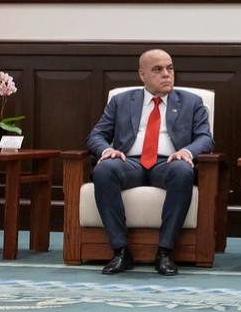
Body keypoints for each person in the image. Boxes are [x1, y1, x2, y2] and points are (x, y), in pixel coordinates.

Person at [86, 49, 213, 276]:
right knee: (104, 169)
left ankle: (164, 252)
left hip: (169, 163)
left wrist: (186, 151)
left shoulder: (192, 102)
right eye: (158, 70)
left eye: (170, 68)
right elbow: (96, 135)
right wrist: (107, 150)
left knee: (183, 171)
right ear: (142, 75)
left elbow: (205, 138)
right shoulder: (121, 101)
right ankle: (120, 251)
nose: (166, 74)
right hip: (130, 162)